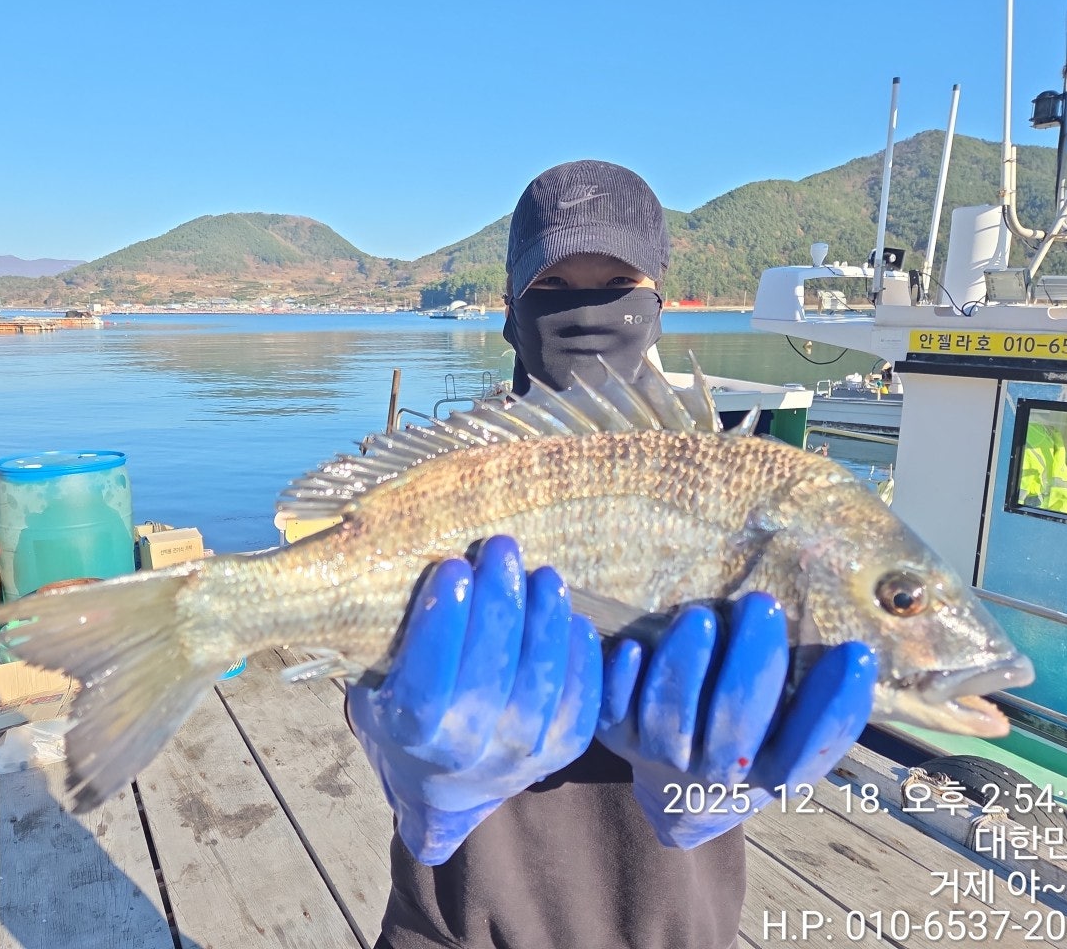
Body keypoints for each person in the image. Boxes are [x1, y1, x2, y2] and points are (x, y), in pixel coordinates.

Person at [347, 160, 878, 949]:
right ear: (511, 310)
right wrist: (395, 745)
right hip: (453, 930)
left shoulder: (723, 483)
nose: (586, 308)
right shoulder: (450, 476)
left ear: (656, 303)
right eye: (554, 286)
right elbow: (368, 647)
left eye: (617, 283)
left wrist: (739, 767)